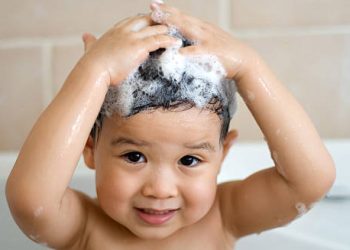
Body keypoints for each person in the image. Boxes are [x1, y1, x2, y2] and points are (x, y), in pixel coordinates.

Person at [6, 2, 335, 249]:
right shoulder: (84, 227)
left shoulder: (225, 214)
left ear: (222, 155)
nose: (160, 189)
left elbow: (310, 182)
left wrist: (251, 68)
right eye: (134, 156)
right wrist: (94, 72)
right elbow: (30, 201)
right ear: (90, 149)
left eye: (189, 160)